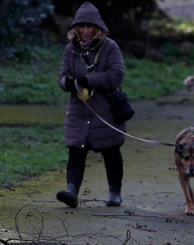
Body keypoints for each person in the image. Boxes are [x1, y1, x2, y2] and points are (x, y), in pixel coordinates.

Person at [56, 2, 126, 208]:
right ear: (75, 29)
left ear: (98, 28)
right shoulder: (70, 50)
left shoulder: (110, 47)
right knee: (75, 151)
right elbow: (63, 75)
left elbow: (117, 75)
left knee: (111, 151)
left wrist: (89, 80)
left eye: (90, 27)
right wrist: (67, 83)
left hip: (106, 110)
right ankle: (72, 192)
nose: (86, 31)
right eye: (82, 27)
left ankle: (115, 193)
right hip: (79, 110)